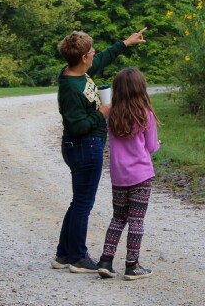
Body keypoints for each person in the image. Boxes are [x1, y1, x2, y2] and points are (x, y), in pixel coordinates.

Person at [53, 28, 146, 274]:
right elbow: (77, 126)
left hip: (87, 146)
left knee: (78, 202)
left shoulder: (80, 74)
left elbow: (104, 58)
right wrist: (102, 113)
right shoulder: (71, 87)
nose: (95, 53)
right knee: (84, 203)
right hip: (84, 146)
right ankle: (77, 257)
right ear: (84, 57)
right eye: (91, 51)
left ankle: (64, 254)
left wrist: (125, 43)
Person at [97, 67, 160, 281]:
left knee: (118, 217)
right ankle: (132, 265)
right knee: (136, 220)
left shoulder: (112, 114)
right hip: (141, 175)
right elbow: (151, 147)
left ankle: (105, 261)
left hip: (119, 176)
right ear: (140, 89)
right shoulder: (145, 114)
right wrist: (158, 144)